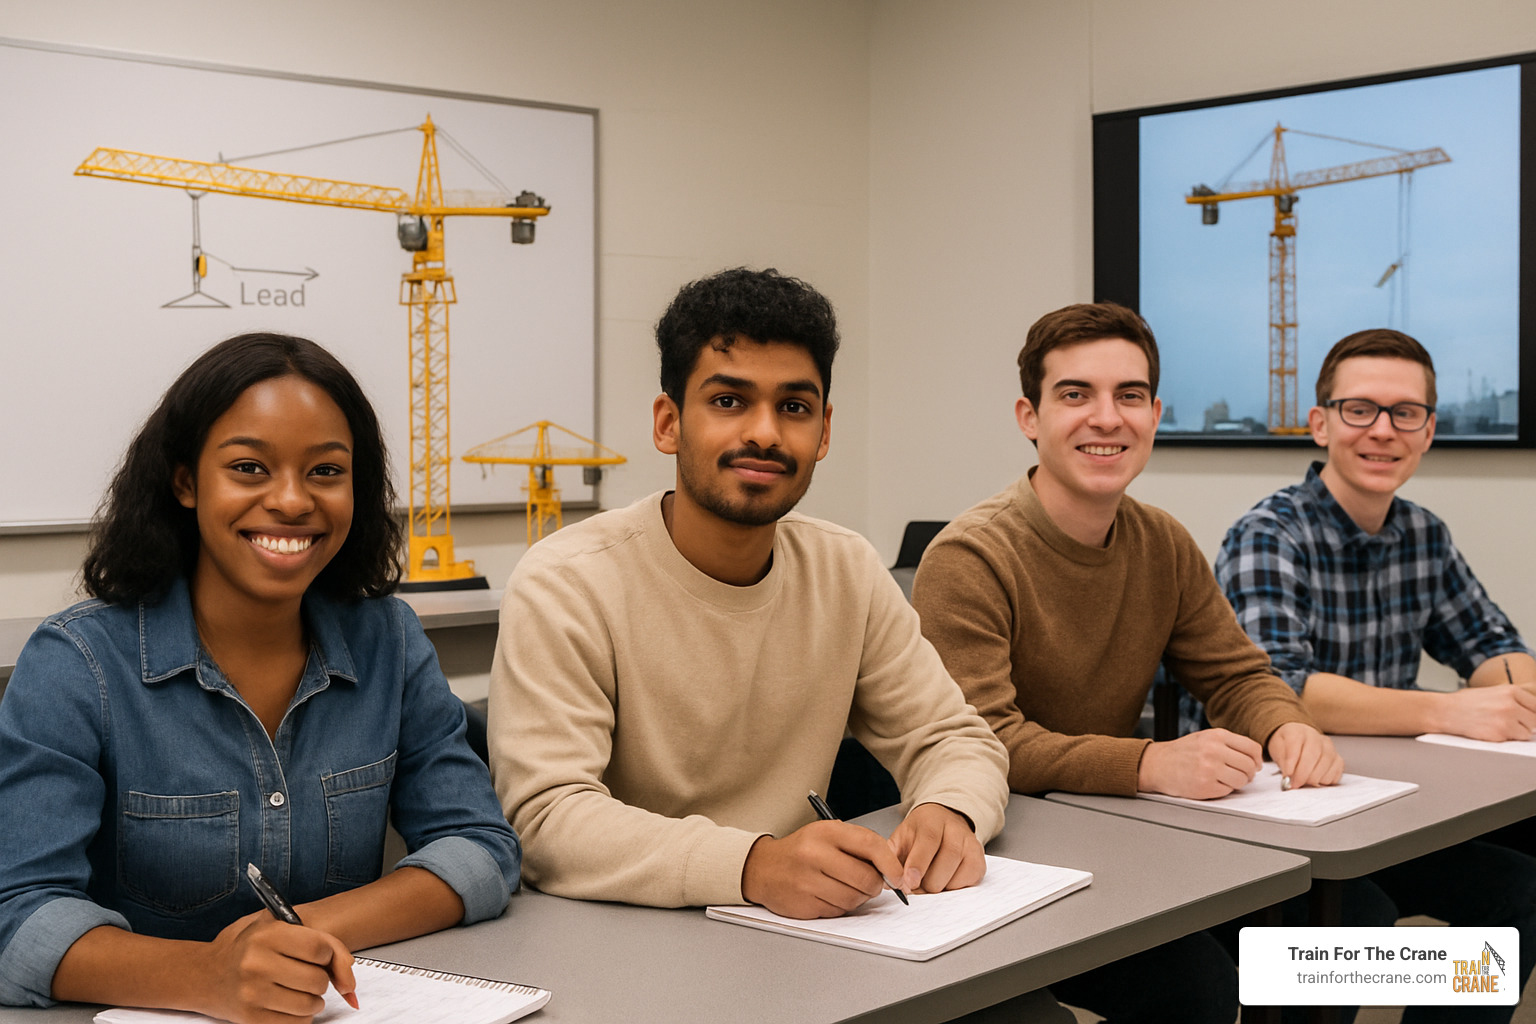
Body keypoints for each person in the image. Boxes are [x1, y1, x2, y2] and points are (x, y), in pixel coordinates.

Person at [0, 333, 521, 1018]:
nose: (292, 501)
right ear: (185, 481)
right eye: (249, 468)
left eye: (326, 472)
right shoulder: (78, 664)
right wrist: (209, 974)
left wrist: (293, 935)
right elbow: (18, 917)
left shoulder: (388, 639)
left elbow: (480, 848)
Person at [488, 267, 1009, 921]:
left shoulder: (846, 569)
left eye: (794, 407)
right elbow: (547, 820)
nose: (764, 432)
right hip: (622, 935)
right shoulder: (567, 582)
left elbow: (953, 738)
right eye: (729, 401)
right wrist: (752, 865)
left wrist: (949, 807)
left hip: (801, 928)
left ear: (822, 432)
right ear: (668, 423)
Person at [911, 301, 1342, 1024]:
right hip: (1005, 854)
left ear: (1154, 414)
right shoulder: (970, 557)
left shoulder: (1161, 541)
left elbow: (1235, 675)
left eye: (1129, 396)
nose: (1106, 418)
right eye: (1075, 395)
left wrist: (1285, 727)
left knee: (1330, 926)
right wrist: (1150, 764)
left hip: (1122, 837)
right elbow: (987, 744)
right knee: (1199, 989)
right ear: (1029, 416)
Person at [1186, 327, 1536, 1023]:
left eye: (1405, 412)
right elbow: (1279, 688)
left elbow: (1490, 642)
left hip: (1382, 810)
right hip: (1268, 821)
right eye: (1360, 410)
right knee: (1359, 922)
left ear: (1429, 430)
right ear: (1320, 424)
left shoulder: (1423, 534)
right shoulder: (1269, 533)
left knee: (1522, 890)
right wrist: (1450, 711)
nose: (1383, 430)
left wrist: (1518, 686)